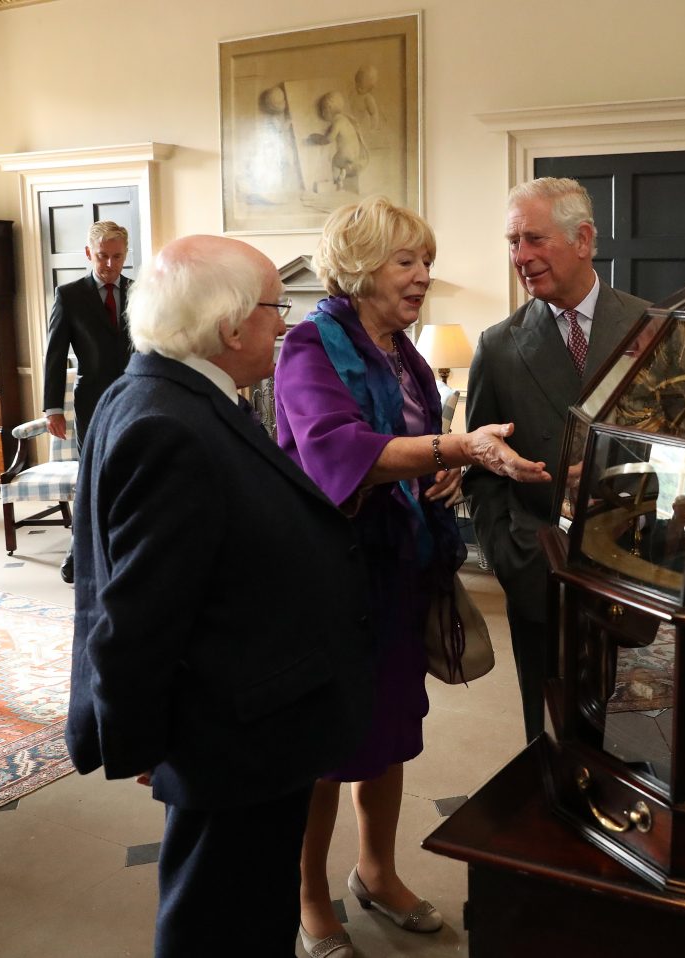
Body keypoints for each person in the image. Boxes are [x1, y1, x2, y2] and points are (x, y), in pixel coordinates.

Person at [64, 234, 376, 958]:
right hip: (233, 737)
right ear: (232, 326)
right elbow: (133, 618)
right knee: (217, 923)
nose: (286, 324)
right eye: (277, 308)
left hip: (248, 722)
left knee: (248, 910)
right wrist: (144, 736)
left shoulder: (170, 393)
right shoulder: (167, 425)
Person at [274, 195, 550, 958]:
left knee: (389, 732)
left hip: (397, 568)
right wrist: (453, 451)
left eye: (426, 260)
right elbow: (338, 450)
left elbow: (413, 449)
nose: (424, 275)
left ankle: (376, 872)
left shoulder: (404, 352)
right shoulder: (308, 346)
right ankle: (309, 901)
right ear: (361, 268)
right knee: (328, 747)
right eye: (407, 261)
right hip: (330, 577)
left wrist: (443, 476)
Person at [465, 177, 649, 742]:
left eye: (534, 240)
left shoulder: (652, 327)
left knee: (632, 723)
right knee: (544, 728)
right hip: (538, 564)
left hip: (633, 562)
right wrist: (508, 553)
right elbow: (478, 463)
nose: (520, 257)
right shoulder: (498, 346)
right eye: (513, 242)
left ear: (584, 239)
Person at [41, 220, 134, 582]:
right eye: (102, 257)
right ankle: (77, 552)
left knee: (130, 472)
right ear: (88, 254)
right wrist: (53, 408)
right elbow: (54, 353)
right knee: (93, 476)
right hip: (91, 401)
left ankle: (123, 549)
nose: (110, 265)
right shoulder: (69, 295)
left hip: (133, 398)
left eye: (117, 257)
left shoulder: (139, 291)